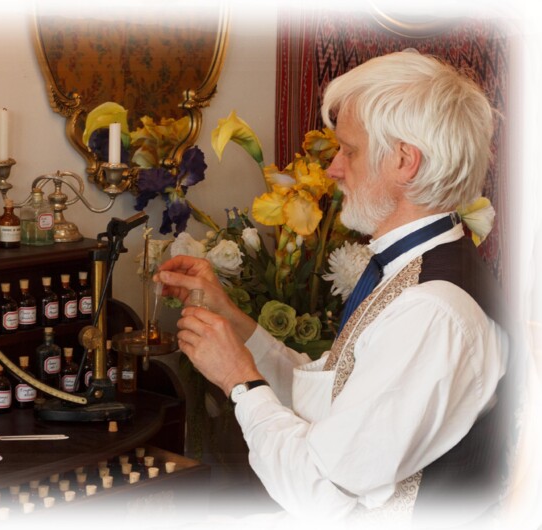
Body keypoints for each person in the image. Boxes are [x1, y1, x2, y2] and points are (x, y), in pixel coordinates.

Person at [157, 51, 507, 523]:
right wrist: (233, 324)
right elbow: (336, 399)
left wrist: (240, 382)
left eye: (350, 150)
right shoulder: (409, 270)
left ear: (405, 161)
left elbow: (319, 488)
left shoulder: (433, 310)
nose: (334, 169)